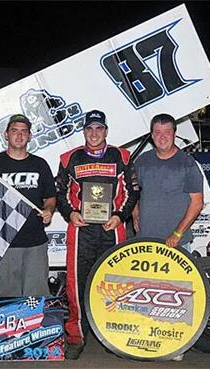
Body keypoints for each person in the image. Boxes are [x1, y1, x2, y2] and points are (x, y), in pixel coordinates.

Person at [56, 110, 139, 359]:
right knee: (76, 283)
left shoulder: (122, 156)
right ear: (84, 131)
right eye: (89, 129)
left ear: (106, 131)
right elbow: (60, 192)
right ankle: (76, 336)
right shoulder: (69, 158)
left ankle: (112, 335)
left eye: (99, 129)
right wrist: (70, 213)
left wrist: (119, 216)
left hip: (111, 228)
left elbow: (132, 191)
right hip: (81, 229)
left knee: (114, 283)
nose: (94, 133)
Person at [132, 113, 204, 361]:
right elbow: (134, 193)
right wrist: (135, 213)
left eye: (167, 132)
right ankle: (149, 340)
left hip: (177, 242)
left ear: (175, 134)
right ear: (152, 136)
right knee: (148, 293)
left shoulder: (187, 164)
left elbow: (197, 204)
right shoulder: (142, 162)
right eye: (157, 132)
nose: (162, 137)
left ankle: (178, 346)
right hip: (146, 241)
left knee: (176, 296)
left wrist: (177, 233)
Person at [0, 114, 56, 297]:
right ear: (6, 134)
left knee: (37, 296)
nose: (19, 135)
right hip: (4, 243)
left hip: (35, 243)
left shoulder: (40, 164)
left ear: (30, 136)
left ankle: (34, 327)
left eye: (24, 131)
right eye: (14, 131)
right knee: (6, 297)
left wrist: (49, 210)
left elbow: (50, 197)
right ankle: (7, 326)